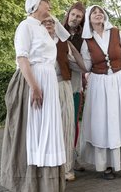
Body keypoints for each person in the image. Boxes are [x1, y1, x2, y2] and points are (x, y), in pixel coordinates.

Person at [0, 0, 66, 192]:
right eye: (47, 1)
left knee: (48, 127)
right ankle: (31, 181)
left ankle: (47, 181)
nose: (50, 5)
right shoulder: (25, 26)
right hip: (34, 79)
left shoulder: (42, 29)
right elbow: (22, 58)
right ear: (37, 5)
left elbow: (57, 44)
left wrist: (53, 32)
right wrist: (35, 87)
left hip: (48, 79)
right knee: (35, 129)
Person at [78, 5, 121, 180]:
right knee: (104, 123)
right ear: (89, 19)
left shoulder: (116, 32)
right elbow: (86, 67)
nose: (98, 14)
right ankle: (107, 165)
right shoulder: (87, 41)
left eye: (100, 12)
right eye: (94, 13)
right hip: (99, 84)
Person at [42, 15, 86, 181]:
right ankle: (48, 167)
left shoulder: (63, 43)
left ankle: (67, 168)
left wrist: (71, 47)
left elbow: (81, 66)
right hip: (44, 89)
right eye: (45, 22)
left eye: (52, 22)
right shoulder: (35, 42)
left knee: (67, 127)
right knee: (46, 129)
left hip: (62, 85)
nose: (48, 24)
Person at [62, 1, 86, 153]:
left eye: (79, 16)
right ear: (68, 14)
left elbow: (84, 63)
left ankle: (72, 155)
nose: (75, 18)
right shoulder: (57, 32)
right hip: (57, 82)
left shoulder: (84, 38)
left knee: (73, 121)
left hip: (75, 83)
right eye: (73, 14)